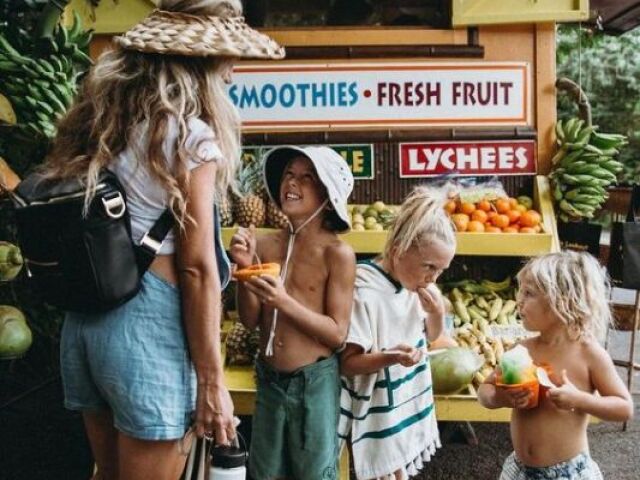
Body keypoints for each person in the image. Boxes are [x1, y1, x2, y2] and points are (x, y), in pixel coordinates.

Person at [44, 1, 284, 478]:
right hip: (146, 331)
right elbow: (195, 267)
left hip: (88, 320)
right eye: (226, 58)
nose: (232, 72)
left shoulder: (99, 120)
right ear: (200, 62)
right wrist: (212, 383)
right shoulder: (189, 137)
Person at [229, 145, 356, 480]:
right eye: (288, 174)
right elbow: (251, 319)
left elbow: (337, 334)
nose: (292, 182)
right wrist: (244, 272)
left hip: (312, 384)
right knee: (264, 472)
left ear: (327, 194)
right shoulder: (267, 245)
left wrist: (284, 302)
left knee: (313, 473)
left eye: (306, 177)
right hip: (269, 379)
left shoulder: (337, 254)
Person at [478, 251, 634, 480]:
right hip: (520, 470)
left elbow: (624, 408)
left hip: (568, 473)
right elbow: (485, 390)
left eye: (529, 293)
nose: (519, 299)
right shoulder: (523, 350)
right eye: (521, 290)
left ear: (563, 301)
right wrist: (501, 398)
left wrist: (579, 400)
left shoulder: (587, 353)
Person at [338, 186, 456, 480]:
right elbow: (348, 363)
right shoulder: (364, 293)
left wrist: (437, 313)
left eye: (441, 270)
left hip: (401, 400)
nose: (433, 278)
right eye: (429, 267)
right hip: (376, 406)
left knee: (396, 468)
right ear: (398, 248)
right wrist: (390, 357)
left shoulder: (417, 285)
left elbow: (430, 336)